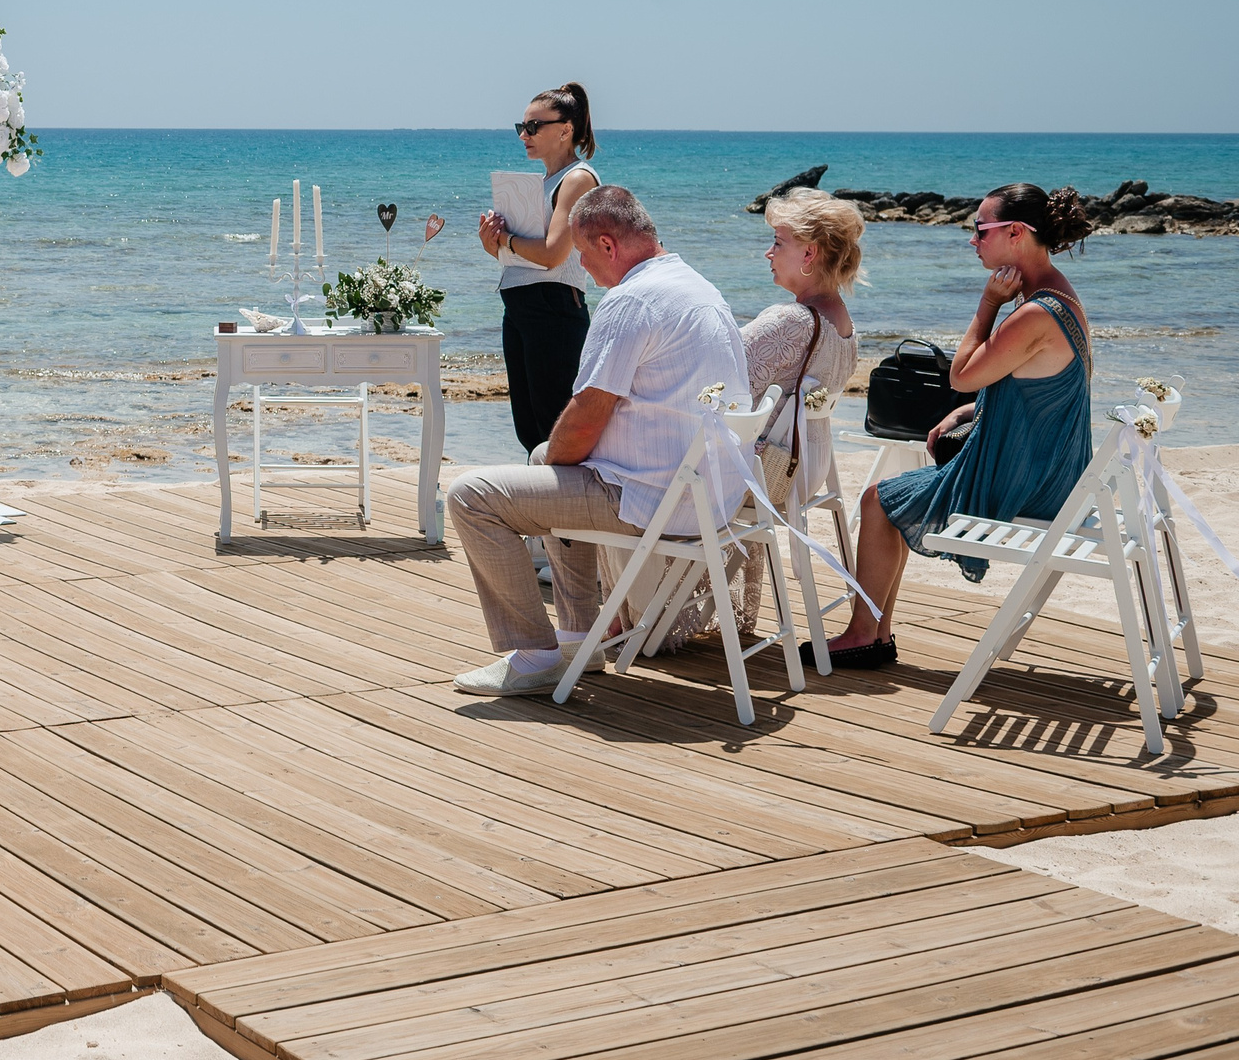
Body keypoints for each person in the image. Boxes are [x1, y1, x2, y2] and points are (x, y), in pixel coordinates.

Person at [443, 187, 750, 694]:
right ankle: (576, 638)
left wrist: (554, 468)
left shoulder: (630, 301)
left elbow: (587, 416)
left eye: (583, 255)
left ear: (607, 244)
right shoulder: (700, 288)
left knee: (471, 496)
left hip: (651, 501)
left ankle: (536, 655)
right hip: (708, 496)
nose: (582, 268)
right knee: (547, 457)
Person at [830, 183, 1095, 669]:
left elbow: (960, 374)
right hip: (1058, 471)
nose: (973, 242)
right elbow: (1040, 394)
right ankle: (874, 634)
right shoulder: (1060, 295)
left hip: (1031, 485)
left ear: (1015, 233)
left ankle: (865, 633)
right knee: (890, 499)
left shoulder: (1034, 311)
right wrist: (971, 412)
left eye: (981, 230)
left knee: (877, 500)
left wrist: (988, 303)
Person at [656, 189, 864, 649]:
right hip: (800, 471)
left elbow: (717, 388)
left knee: (632, 468)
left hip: (763, 475)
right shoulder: (844, 325)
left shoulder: (790, 320)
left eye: (778, 241)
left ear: (809, 253)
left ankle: (635, 615)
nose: (768, 252)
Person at [478, 83, 601, 453]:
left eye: (534, 127)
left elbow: (552, 255)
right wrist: (493, 243)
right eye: (522, 126)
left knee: (553, 425)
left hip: (553, 307)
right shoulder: (540, 183)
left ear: (565, 130)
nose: (523, 135)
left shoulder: (577, 178)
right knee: (529, 427)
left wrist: (507, 241)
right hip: (521, 306)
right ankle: (537, 502)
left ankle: (559, 505)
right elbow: (525, 255)